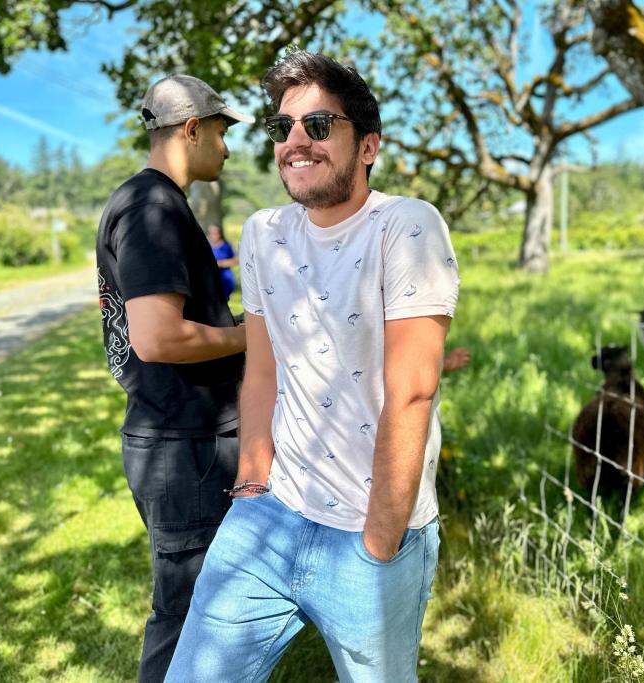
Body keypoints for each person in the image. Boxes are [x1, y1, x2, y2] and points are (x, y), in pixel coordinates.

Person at [166, 50, 459, 682]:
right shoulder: (264, 232)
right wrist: (250, 486)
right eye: (283, 128)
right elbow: (263, 371)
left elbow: (411, 393)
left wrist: (379, 542)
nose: (296, 141)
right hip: (267, 516)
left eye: (319, 126)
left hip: (371, 536)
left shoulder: (406, 227)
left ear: (369, 145)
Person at [94, 74, 253, 682]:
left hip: (182, 439)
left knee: (205, 608)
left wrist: (233, 325)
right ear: (191, 130)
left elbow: (176, 322)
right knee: (186, 616)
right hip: (183, 447)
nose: (228, 147)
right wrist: (252, 336)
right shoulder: (153, 207)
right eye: (220, 131)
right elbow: (157, 337)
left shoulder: (150, 203)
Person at [206, 223, 239, 299]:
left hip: (224, 279)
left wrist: (220, 263)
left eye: (215, 233)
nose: (213, 235)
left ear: (220, 233)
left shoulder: (226, 246)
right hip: (210, 278)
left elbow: (235, 260)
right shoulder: (205, 245)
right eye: (211, 233)